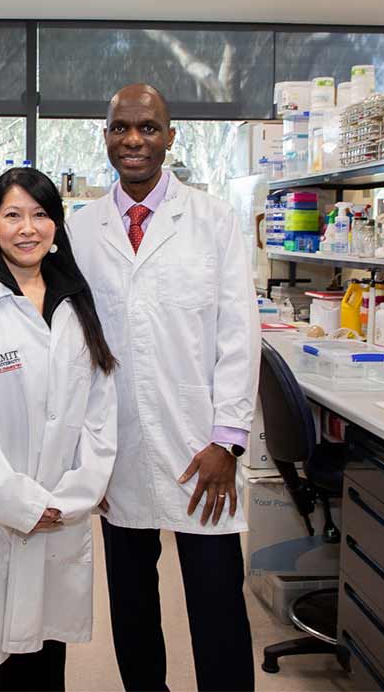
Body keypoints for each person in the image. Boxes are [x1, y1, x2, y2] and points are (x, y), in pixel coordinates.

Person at [68, 84, 260, 692]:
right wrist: (83, 456)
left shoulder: (213, 221)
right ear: (105, 137)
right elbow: (72, 349)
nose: (134, 140)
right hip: (116, 443)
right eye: (121, 127)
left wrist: (227, 442)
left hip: (201, 445)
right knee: (131, 603)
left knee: (216, 602)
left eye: (148, 128)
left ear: (170, 137)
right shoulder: (80, 229)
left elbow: (239, 334)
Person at [0, 167, 119, 691]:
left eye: (39, 214)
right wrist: (21, 504)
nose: (27, 228)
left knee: (48, 661)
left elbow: (100, 414)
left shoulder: (78, 305)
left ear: (56, 225)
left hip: (62, 515)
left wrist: (73, 498)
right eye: (13, 215)